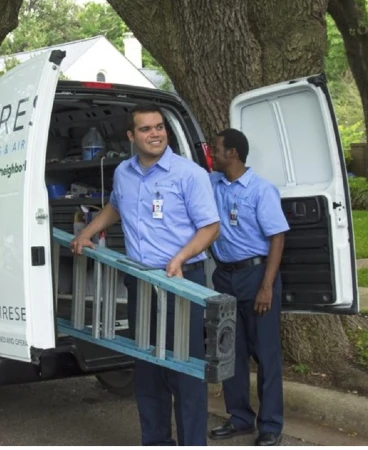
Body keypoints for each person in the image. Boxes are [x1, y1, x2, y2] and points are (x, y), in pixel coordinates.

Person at [70, 103, 220, 446]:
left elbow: (211, 228)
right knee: (148, 369)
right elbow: (115, 206)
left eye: (159, 127)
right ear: (131, 136)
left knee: (184, 369)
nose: (155, 134)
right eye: (146, 129)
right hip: (140, 281)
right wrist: (86, 233)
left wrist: (181, 257)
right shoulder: (124, 172)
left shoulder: (188, 174)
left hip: (181, 282)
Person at [206, 128, 289, 447]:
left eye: (215, 150)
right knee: (230, 350)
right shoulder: (212, 183)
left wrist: (266, 287)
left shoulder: (260, 190)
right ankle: (240, 417)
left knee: (266, 354)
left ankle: (270, 425)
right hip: (224, 277)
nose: (211, 155)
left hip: (256, 276)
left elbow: (277, 238)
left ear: (233, 154)